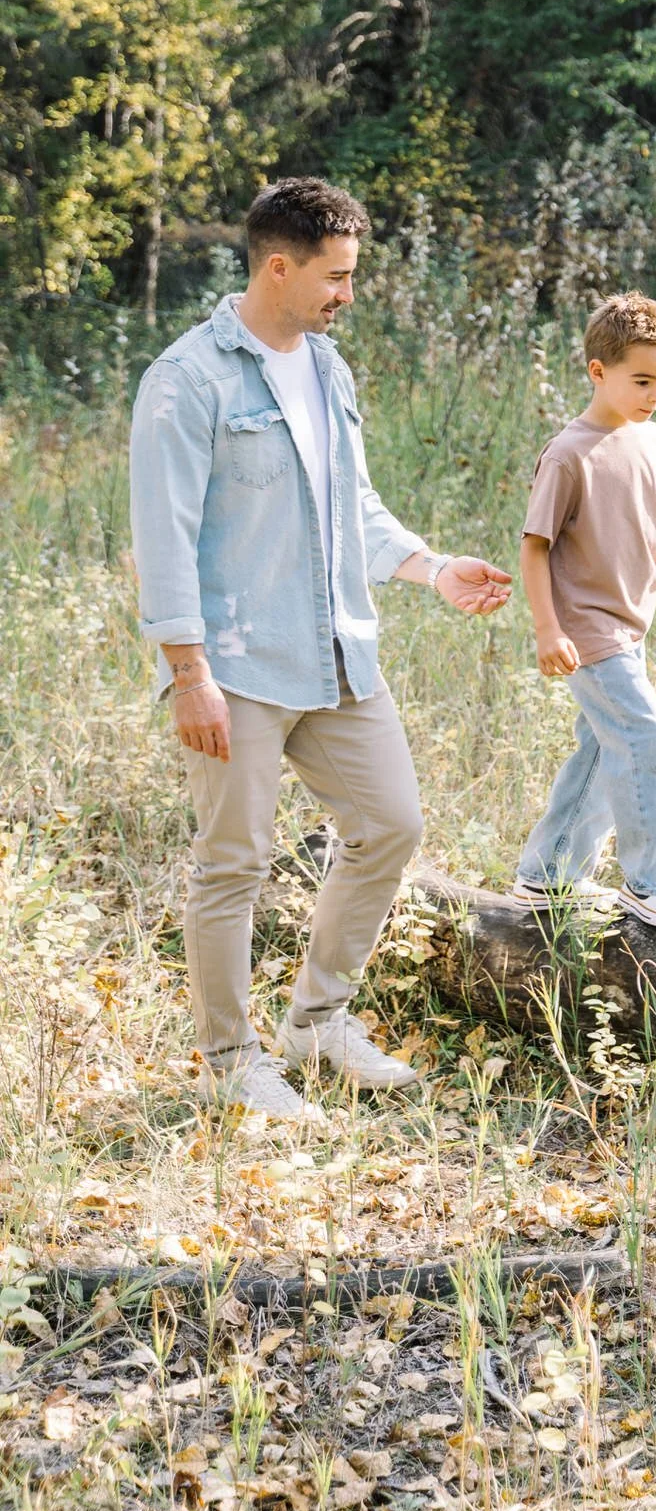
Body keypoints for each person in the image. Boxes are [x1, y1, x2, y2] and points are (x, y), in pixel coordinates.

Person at [129, 177, 513, 1124]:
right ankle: (230, 1061)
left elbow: (355, 506)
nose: (347, 293)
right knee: (234, 863)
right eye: (336, 277)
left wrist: (433, 567)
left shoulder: (329, 370)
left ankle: (318, 1022)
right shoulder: (187, 380)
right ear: (278, 266)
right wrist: (189, 675)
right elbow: (163, 536)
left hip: (339, 656)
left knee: (392, 824)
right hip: (237, 664)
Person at [506, 292, 656, 930]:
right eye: (641, 380)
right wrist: (547, 629)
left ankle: (547, 877)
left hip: (631, 626)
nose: (655, 393)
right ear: (598, 371)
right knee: (643, 736)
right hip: (586, 628)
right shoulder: (569, 453)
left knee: (605, 749)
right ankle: (651, 884)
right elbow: (534, 548)